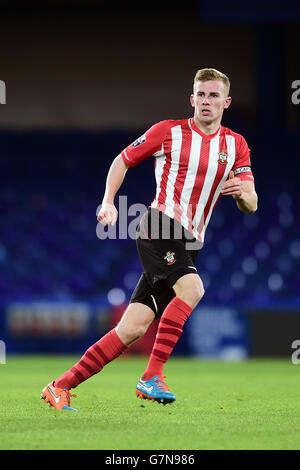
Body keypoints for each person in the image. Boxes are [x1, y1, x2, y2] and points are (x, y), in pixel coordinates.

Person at [40, 68, 258, 411]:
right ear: (192, 99)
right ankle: (152, 375)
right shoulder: (168, 131)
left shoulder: (236, 145)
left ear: (226, 102)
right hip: (160, 227)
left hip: (190, 243)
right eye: (200, 94)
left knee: (132, 328)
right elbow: (122, 160)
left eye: (214, 95)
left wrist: (241, 194)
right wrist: (109, 202)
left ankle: (59, 385)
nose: (206, 101)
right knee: (194, 289)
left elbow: (252, 202)